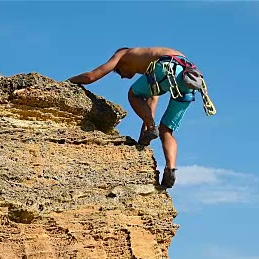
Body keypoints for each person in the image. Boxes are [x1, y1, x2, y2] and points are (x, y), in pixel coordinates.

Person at [67, 46, 215, 188]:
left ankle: (154, 133)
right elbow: (151, 103)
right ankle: (170, 169)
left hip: (168, 67)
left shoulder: (122, 54)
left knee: (133, 94)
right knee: (166, 131)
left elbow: (91, 76)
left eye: (119, 72)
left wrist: (68, 82)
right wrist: (144, 139)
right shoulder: (149, 61)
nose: (122, 77)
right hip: (190, 78)